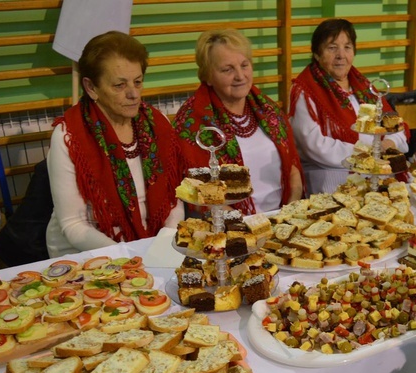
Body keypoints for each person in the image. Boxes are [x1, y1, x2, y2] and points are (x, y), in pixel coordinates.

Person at [46, 31, 184, 257]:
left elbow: (174, 197)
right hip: (88, 254)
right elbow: (73, 225)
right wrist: (130, 255)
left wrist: (165, 242)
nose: (133, 94)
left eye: (138, 82)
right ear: (91, 88)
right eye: (119, 85)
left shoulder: (156, 123)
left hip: (153, 247)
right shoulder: (68, 136)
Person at [173, 28, 304, 214]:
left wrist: (289, 212)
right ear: (208, 76)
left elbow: (293, 168)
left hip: (283, 218)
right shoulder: (191, 122)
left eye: (244, 65)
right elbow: (198, 192)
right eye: (228, 69)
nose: (240, 76)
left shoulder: (269, 110)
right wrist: (244, 225)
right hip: (229, 227)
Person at [289, 18, 409, 194]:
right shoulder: (305, 90)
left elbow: (394, 126)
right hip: (331, 175)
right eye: (332, 48)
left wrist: (389, 143)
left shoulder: (362, 86)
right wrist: (367, 154)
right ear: (317, 53)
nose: (341, 55)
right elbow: (313, 146)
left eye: (347, 47)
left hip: (376, 169)